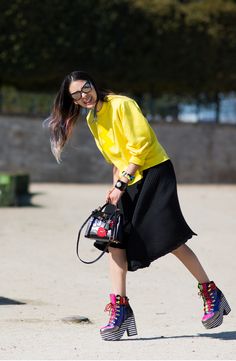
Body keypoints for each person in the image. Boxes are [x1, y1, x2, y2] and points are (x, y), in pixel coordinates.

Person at [46, 70, 231, 341]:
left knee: (168, 238)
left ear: (93, 84)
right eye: (75, 94)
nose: (83, 95)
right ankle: (119, 310)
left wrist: (122, 183)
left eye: (85, 88)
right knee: (114, 240)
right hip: (128, 178)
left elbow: (141, 145)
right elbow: (116, 157)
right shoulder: (92, 118)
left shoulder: (121, 104)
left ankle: (211, 293)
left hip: (154, 172)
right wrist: (115, 188)